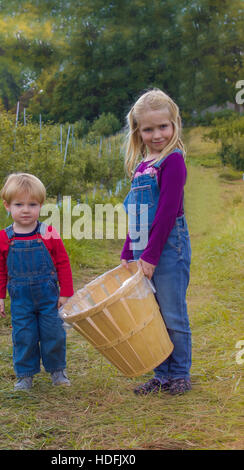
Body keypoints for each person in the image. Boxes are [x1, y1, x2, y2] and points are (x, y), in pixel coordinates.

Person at [121, 88, 192, 395]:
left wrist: (150, 256)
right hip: (143, 248)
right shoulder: (141, 166)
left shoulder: (173, 162)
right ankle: (160, 374)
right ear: (139, 131)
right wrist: (129, 250)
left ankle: (179, 374)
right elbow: (136, 213)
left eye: (163, 126)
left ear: (174, 124)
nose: (157, 134)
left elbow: (164, 215)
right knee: (152, 314)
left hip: (167, 248)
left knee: (172, 313)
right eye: (148, 129)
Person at [0, 173, 74, 391]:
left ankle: (57, 371)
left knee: (53, 333)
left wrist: (66, 293)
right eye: (19, 204)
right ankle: (25, 375)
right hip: (21, 300)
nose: (26, 209)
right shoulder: (4, 237)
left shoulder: (48, 233)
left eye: (32, 204)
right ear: (7, 206)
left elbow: (63, 263)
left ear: (41, 206)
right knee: (24, 336)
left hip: (49, 298)